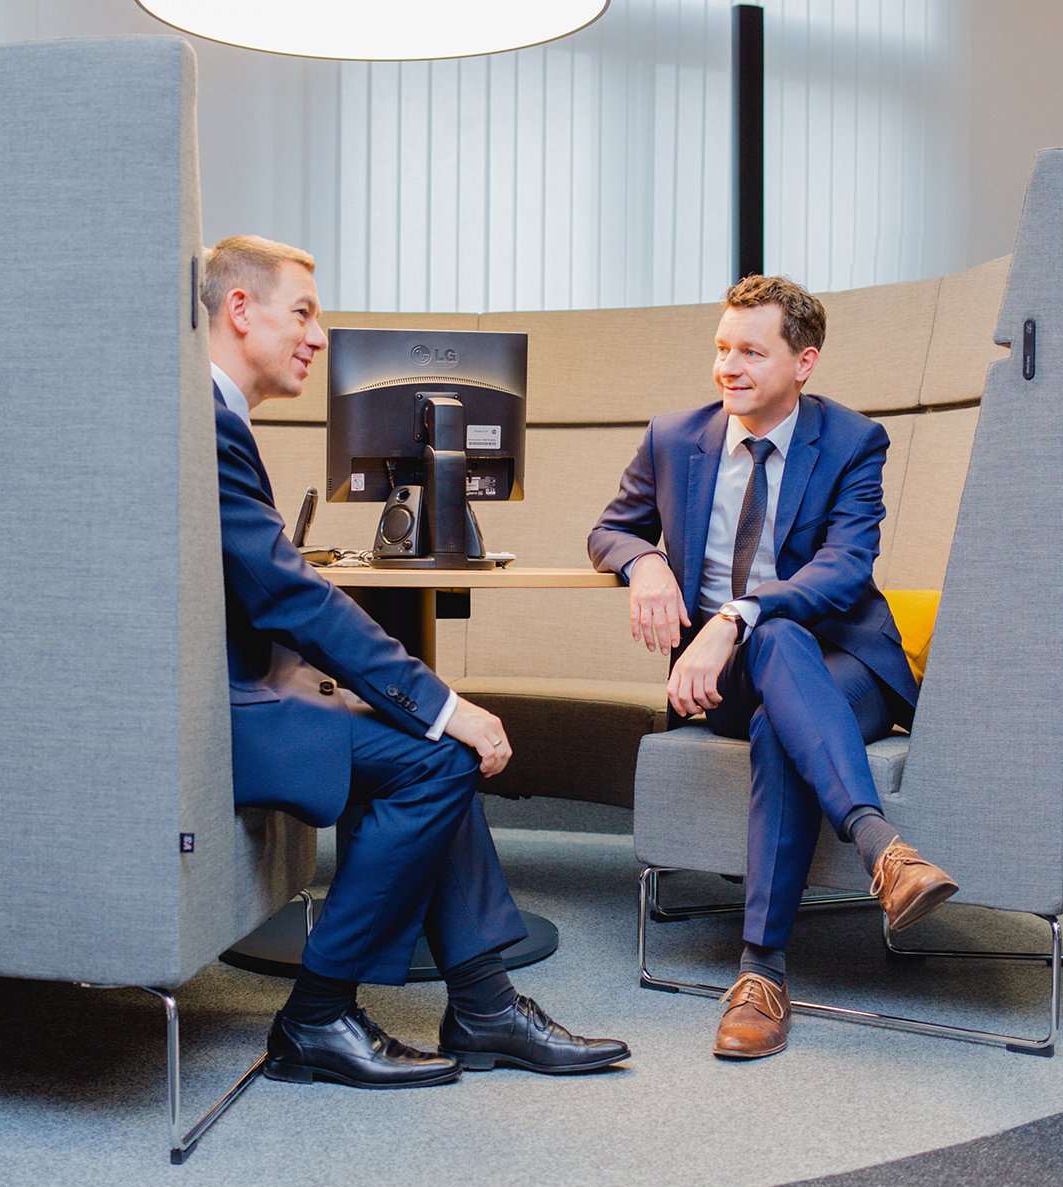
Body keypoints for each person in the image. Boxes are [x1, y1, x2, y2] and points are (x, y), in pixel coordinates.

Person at [204, 235, 629, 1088]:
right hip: (224, 711)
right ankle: (317, 1018)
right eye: (303, 313)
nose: (318, 337)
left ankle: (483, 1007)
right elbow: (288, 596)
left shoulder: (215, 418)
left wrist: (427, 707)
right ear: (239, 309)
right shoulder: (201, 422)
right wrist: (443, 701)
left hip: (252, 692)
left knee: (434, 747)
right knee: (436, 750)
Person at [588, 275, 958, 1061]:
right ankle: (882, 851)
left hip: (843, 668)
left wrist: (735, 614)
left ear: (803, 362)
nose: (729, 366)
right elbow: (608, 530)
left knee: (780, 646)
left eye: (752, 351)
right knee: (773, 661)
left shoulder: (854, 440)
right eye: (722, 348)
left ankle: (760, 973)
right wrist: (645, 564)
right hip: (728, 678)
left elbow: (844, 567)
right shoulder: (671, 438)